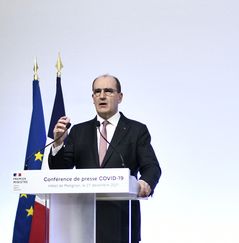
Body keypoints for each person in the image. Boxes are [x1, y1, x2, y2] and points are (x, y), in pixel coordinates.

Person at [49, 74, 162, 243]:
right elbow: (59, 170)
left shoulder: (136, 130)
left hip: (122, 219)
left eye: (108, 91)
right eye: (97, 92)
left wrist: (145, 182)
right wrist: (58, 142)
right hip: (83, 220)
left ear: (120, 97)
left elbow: (152, 167)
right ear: (93, 98)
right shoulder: (79, 131)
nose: (102, 96)